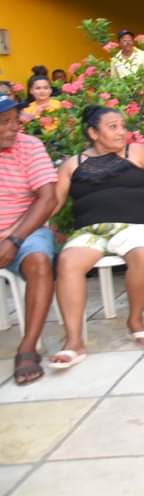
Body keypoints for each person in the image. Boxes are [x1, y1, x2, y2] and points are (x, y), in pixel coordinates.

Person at [49, 106, 144, 366]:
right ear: (93, 133)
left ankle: (135, 318)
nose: (122, 131)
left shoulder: (138, 153)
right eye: (113, 127)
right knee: (67, 263)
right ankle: (74, 341)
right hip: (90, 231)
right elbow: (53, 202)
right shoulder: (71, 165)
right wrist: (41, 224)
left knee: (143, 253)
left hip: (134, 227)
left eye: (122, 126)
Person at [0, 96, 58, 384]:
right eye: (5, 122)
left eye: (15, 119)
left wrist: (13, 239)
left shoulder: (29, 146)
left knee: (38, 261)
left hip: (25, 229)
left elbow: (48, 199)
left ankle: (28, 347)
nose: (15, 126)